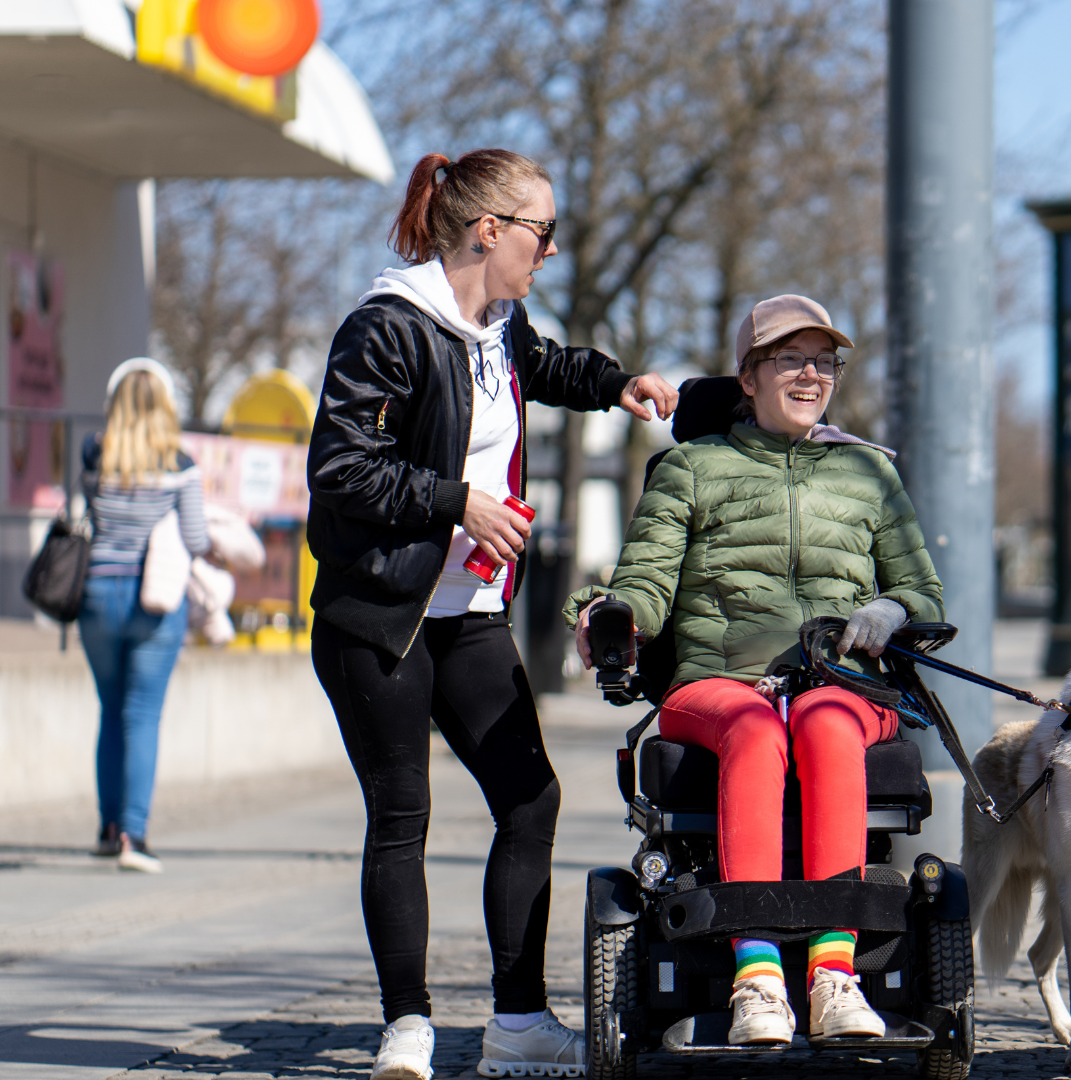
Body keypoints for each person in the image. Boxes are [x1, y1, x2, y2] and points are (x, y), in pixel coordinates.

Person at [305, 149, 679, 1080]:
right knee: (403, 814)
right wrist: (457, 501)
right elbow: (340, 468)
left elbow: (544, 366)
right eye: (542, 232)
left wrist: (615, 383)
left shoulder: (499, 327)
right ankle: (408, 1028)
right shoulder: (387, 328)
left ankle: (517, 1024)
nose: (549, 251)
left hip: (468, 611)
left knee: (530, 797)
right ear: (489, 231)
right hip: (380, 613)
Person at [564, 294, 944, 1048]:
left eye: (825, 360)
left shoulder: (870, 475)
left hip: (841, 682)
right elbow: (646, 582)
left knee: (826, 722)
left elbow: (923, 589)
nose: (812, 374)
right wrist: (614, 615)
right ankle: (759, 977)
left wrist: (894, 612)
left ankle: (835, 976)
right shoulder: (689, 469)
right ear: (747, 375)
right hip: (717, 683)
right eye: (791, 359)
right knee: (754, 727)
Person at [79, 358, 210, 874]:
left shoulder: (95, 454)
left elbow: (90, 514)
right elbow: (196, 540)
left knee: (109, 710)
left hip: (95, 596)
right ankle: (134, 835)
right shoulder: (180, 463)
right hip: (155, 600)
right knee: (142, 715)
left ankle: (109, 829)